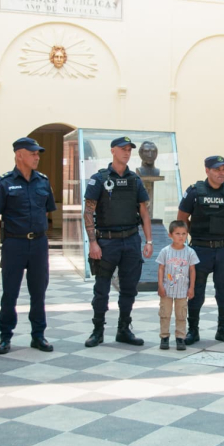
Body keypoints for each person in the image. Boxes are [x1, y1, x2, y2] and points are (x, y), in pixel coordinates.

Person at [0, 137, 56, 354]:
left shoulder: (43, 181)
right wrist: (6, 237)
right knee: (10, 292)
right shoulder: (4, 183)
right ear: (19, 155)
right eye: (33, 153)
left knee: (38, 292)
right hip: (14, 244)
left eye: (38, 153)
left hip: (38, 244)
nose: (37, 157)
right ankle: (5, 337)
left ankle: (38, 336)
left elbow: (46, 211)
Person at [84, 136, 153, 347]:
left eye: (129, 149)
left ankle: (124, 329)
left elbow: (144, 211)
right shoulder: (99, 179)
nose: (127, 152)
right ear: (113, 150)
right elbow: (88, 211)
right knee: (102, 289)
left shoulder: (135, 180)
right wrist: (93, 243)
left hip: (131, 240)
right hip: (107, 242)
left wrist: (148, 241)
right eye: (122, 149)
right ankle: (98, 331)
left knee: (129, 288)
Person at [177, 155, 224, 345]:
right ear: (207, 170)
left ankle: (222, 329)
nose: (221, 173)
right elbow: (182, 218)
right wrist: (197, 236)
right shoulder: (194, 192)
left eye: (223, 169)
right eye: (216, 169)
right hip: (200, 249)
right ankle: (193, 330)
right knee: (196, 291)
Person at [156, 220, 199, 350]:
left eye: (184, 234)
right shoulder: (165, 251)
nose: (181, 237)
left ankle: (180, 338)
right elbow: (161, 269)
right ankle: (164, 337)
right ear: (170, 235)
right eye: (177, 234)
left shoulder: (190, 252)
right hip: (167, 290)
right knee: (165, 314)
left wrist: (191, 288)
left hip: (182, 290)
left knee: (181, 314)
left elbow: (192, 270)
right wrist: (160, 286)